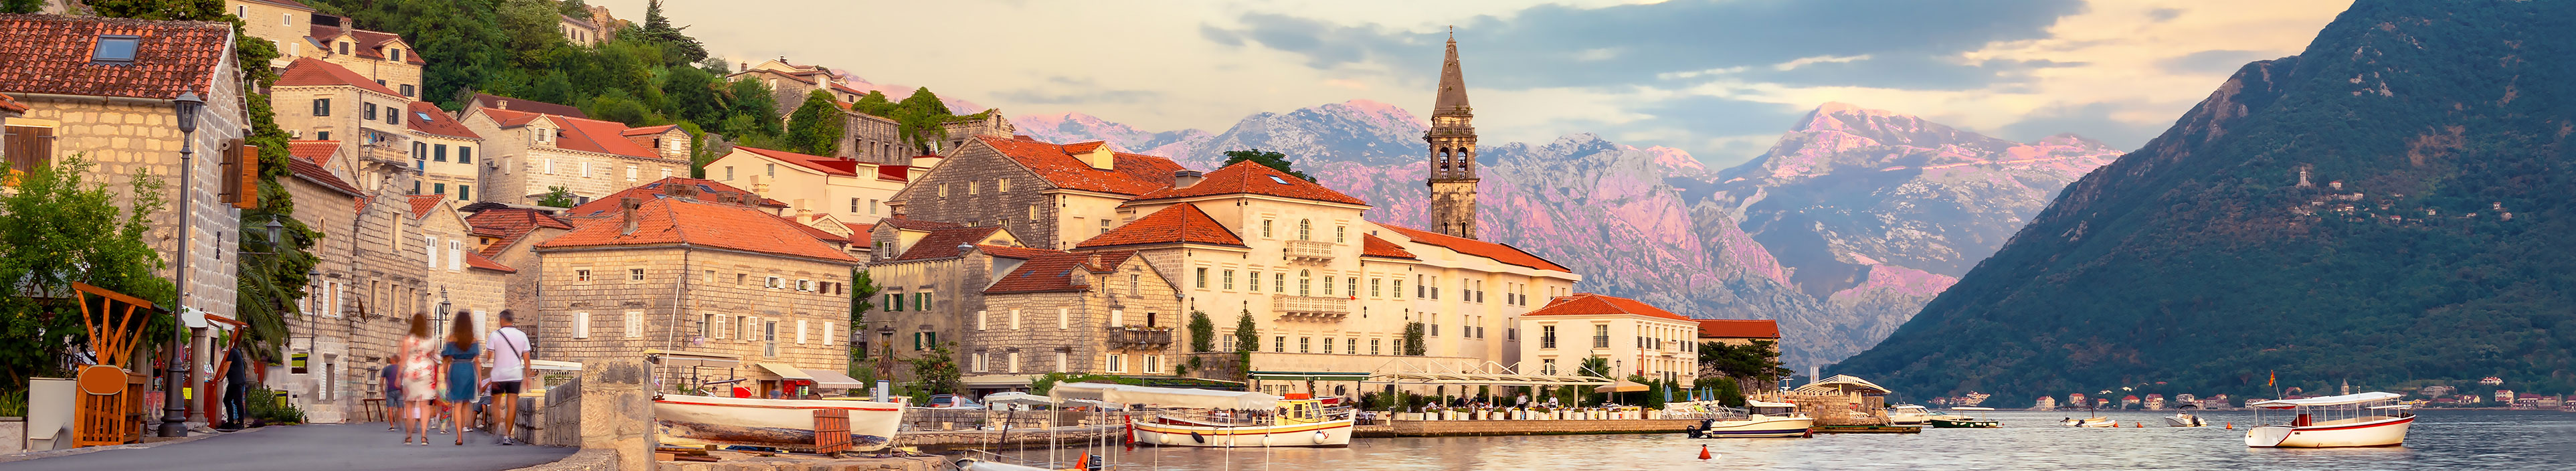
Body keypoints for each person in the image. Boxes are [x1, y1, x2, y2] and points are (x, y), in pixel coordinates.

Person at [482, 310, 531, 445]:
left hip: (499, 375)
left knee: (496, 403)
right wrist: (528, 376)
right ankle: (507, 435)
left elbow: (488, 356)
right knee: (512, 404)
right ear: (512, 320)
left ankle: (498, 427)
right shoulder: (522, 335)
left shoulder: (495, 335)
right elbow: (527, 359)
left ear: (501, 320)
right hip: (515, 374)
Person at [440, 314, 480, 446]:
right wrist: (480, 379)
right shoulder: (473, 340)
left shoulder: (451, 339)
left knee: (457, 404)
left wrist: (446, 376)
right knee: (466, 403)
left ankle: (459, 437)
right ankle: (466, 426)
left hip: (456, 369)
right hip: (469, 369)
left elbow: (446, 360)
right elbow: (478, 361)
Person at [399, 313, 440, 446]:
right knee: (425, 407)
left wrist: (397, 375)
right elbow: (436, 358)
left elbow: (403, 359)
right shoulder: (432, 340)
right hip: (426, 374)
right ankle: (424, 437)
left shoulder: (408, 340)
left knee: (409, 406)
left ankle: (409, 436)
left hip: (411, 373)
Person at [219, 345, 248, 430]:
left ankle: (240, 423)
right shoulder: (234, 352)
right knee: (228, 400)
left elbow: (227, 366)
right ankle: (231, 422)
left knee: (237, 401)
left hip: (237, 381)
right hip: (234, 381)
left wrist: (220, 378)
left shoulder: (232, 352)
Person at [382, 363, 403, 432]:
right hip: (399, 391)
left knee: (390, 408)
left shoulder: (386, 369)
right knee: (400, 408)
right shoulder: (401, 369)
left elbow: (381, 381)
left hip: (390, 391)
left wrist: (382, 391)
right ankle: (398, 421)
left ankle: (392, 426)